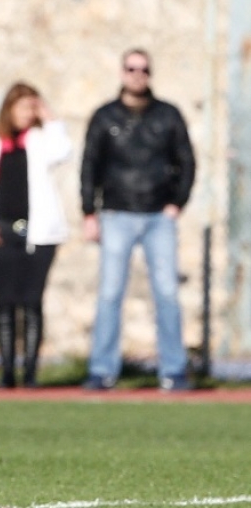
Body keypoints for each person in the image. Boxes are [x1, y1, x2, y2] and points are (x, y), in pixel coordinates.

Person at [80, 48, 196, 392]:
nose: (137, 75)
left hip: (159, 215)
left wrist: (177, 203)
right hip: (116, 213)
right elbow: (90, 165)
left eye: (143, 69)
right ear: (122, 73)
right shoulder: (105, 117)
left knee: (167, 292)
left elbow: (187, 161)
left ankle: (173, 370)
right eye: (131, 68)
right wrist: (89, 212)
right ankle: (102, 370)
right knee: (110, 293)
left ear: (150, 74)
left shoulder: (167, 115)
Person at [0, 82, 71, 389]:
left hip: (39, 234)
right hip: (1, 233)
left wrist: (50, 118)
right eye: (22, 107)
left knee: (32, 301)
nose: (27, 114)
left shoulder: (41, 141)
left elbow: (63, 151)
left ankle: (31, 373)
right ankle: (7, 372)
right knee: (6, 301)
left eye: (32, 108)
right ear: (9, 109)